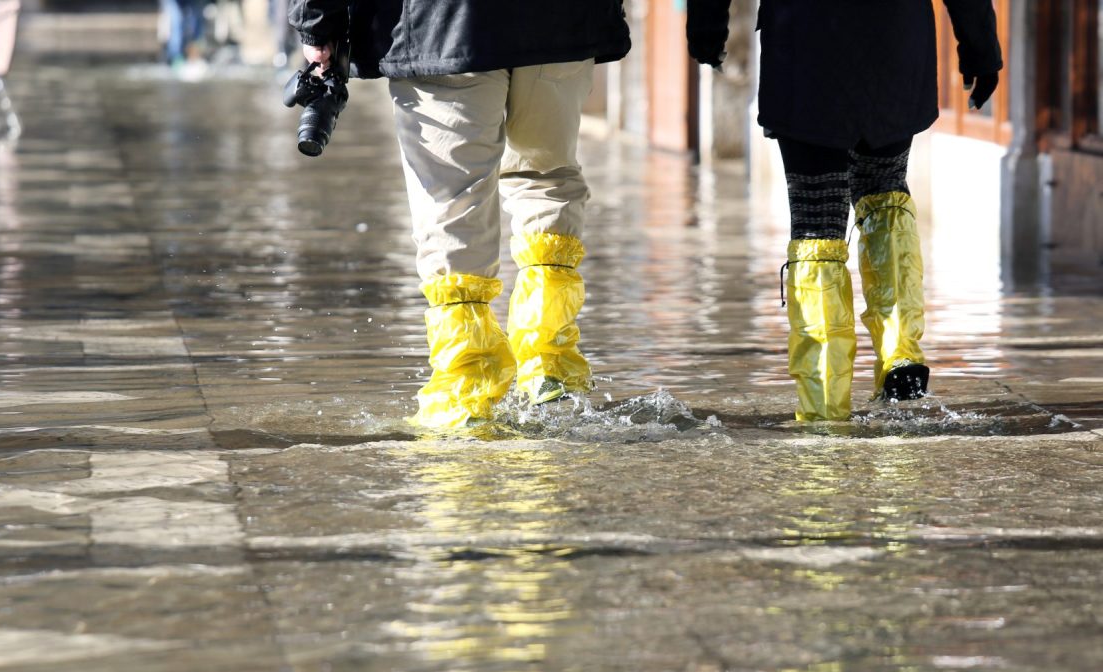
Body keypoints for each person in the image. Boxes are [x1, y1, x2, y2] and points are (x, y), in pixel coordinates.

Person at [288, 1, 631, 428]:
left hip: (439, 24)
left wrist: (317, 26)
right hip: (560, 22)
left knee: (451, 199)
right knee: (546, 174)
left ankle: (467, 386)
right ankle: (549, 358)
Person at [687, 0, 1002, 422]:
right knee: (884, 190)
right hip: (893, 40)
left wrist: (707, 29)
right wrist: (979, 45)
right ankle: (900, 357)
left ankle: (824, 399)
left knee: (816, 218)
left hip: (805, 46)